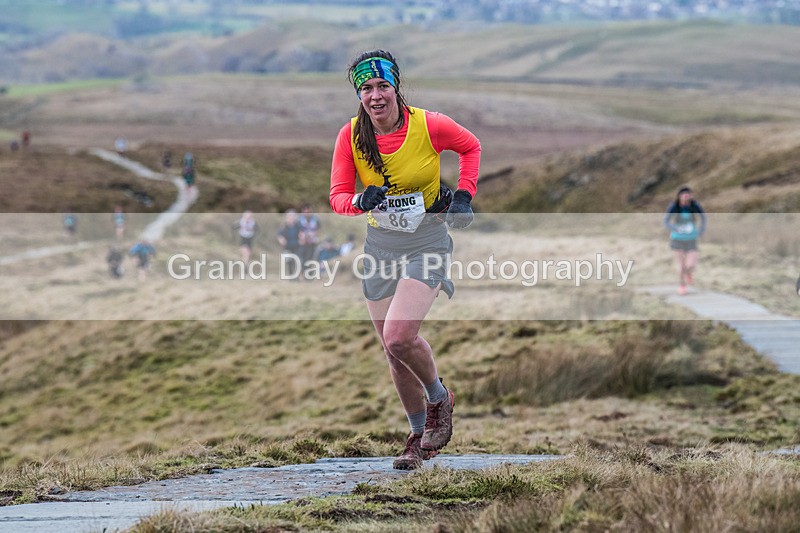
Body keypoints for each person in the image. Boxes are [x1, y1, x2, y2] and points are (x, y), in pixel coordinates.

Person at [329, 49, 480, 470]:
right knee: (392, 352)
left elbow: (471, 147)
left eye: (382, 86)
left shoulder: (429, 125)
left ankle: (439, 398)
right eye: (366, 88)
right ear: (359, 94)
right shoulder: (351, 137)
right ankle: (419, 438)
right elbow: (337, 197)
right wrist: (361, 199)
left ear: (396, 86)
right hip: (381, 248)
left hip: (426, 240)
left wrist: (464, 196)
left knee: (398, 336)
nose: (375, 96)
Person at [663, 186, 706, 295]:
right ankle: (682, 286)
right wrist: (674, 228)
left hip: (692, 238)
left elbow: (703, 217)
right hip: (678, 239)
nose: (686, 197)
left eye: (688, 195)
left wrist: (701, 230)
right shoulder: (674, 206)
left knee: (690, 264)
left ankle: (689, 274)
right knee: (682, 265)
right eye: (683, 195)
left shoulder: (694, 205)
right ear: (679, 197)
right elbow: (666, 220)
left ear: (690, 196)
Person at [277, 209, 303, 279]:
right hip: (287, 247)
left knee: (296, 261)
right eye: (290, 217)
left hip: (296, 246)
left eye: (293, 217)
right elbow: (279, 234)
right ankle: (291, 276)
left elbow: (302, 233)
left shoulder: (298, 225)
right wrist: (281, 239)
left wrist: (302, 237)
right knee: (289, 261)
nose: (291, 218)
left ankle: (296, 276)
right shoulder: (284, 226)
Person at [298, 204, 322, 269]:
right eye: (305, 212)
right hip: (303, 242)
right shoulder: (299, 219)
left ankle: (309, 273)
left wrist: (313, 235)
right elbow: (298, 230)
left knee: (311, 257)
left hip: (313, 241)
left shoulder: (316, 219)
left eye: (308, 212)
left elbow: (319, 230)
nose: (307, 213)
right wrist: (302, 237)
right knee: (302, 257)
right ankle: (302, 271)